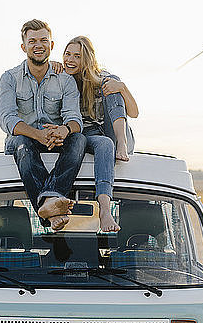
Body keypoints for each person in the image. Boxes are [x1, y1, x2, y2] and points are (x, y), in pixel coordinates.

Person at [0, 20, 87, 231]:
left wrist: (64, 130)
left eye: (43, 40)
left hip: (56, 139)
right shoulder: (9, 78)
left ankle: (48, 202)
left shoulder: (65, 79)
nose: (38, 45)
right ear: (24, 47)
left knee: (79, 139)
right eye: (32, 41)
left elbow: (75, 118)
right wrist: (37, 135)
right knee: (21, 142)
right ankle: (51, 204)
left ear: (52, 45)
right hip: (23, 142)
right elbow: (6, 118)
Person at [49, 36, 139, 232]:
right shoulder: (61, 77)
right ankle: (102, 210)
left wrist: (122, 88)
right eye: (67, 54)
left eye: (77, 56)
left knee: (112, 82)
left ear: (87, 60)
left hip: (111, 132)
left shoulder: (101, 79)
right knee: (104, 144)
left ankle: (121, 144)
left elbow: (134, 113)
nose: (70, 60)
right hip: (81, 135)